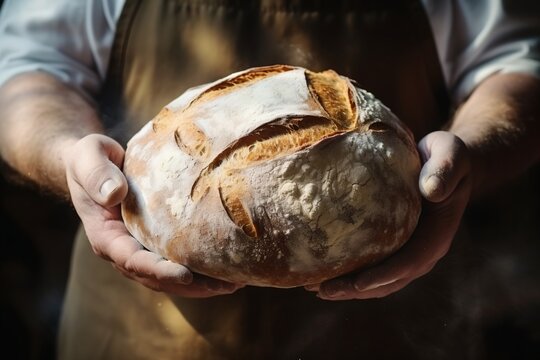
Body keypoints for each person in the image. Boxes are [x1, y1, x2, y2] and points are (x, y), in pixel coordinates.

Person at [0, 0, 539, 358]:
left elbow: (517, 64)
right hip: (138, 333)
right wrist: (67, 154)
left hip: (390, 327)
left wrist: (467, 157)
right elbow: (28, 71)